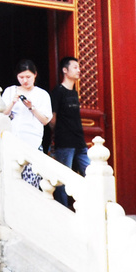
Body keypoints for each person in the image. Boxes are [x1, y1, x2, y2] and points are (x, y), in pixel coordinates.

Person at [2, 60, 53, 190]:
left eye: (28, 77)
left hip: (33, 142)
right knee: (11, 181)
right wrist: (12, 102)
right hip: (13, 140)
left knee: (31, 184)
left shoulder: (42, 94)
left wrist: (31, 108)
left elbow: (45, 120)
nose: (25, 80)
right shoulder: (10, 91)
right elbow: (2, 114)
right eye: (21, 77)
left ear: (35, 75)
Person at [49, 56, 88, 208]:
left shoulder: (75, 93)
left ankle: (90, 209)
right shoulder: (58, 92)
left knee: (91, 174)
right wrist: (60, 134)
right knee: (63, 178)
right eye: (75, 67)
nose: (79, 70)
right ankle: (62, 209)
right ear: (65, 70)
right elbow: (52, 119)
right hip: (65, 142)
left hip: (80, 142)